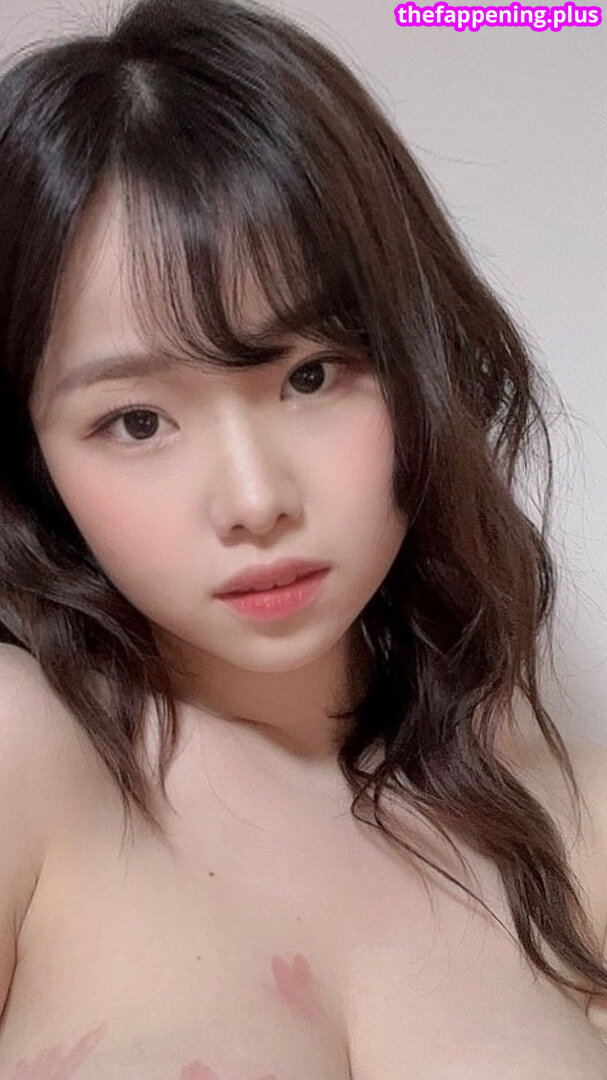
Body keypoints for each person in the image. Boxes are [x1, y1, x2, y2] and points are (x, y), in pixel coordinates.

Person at [0, 0, 605, 1075]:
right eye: (135, 422)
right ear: (34, 459)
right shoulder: (25, 755)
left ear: (416, 362)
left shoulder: (576, 828)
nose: (253, 499)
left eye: (311, 375)